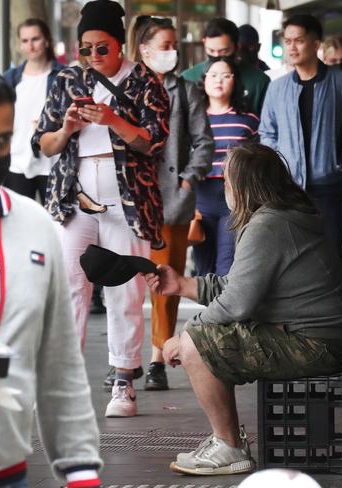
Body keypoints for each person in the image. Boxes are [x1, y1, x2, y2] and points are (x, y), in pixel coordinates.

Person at [145, 143, 342, 476]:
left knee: (197, 341)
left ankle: (228, 446)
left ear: (244, 185)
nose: (223, 187)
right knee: (200, 335)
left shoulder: (268, 224)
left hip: (312, 344)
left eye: (227, 180)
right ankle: (227, 441)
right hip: (314, 337)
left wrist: (182, 336)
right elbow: (237, 287)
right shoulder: (280, 216)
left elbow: (236, 303)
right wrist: (181, 284)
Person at [0, 61, 101, 488]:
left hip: (7, 475)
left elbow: (60, 363)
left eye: (2, 140)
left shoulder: (35, 225)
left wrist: (81, 468)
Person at [32, 0, 170, 418]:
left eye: (101, 48)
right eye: (85, 48)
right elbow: (43, 143)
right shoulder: (66, 79)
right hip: (73, 197)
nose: (93, 56)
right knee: (70, 287)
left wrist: (113, 120)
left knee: (125, 289)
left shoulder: (147, 81)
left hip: (129, 199)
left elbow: (153, 142)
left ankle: (123, 381)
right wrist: (67, 128)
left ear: (119, 43)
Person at [130, 15, 214, 391]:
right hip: (130, 198)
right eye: (165, 45)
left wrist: (188, 178)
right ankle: (125, 358)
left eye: (174, 44)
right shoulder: (128, 87)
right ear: (144, 49)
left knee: (166, 280)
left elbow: (204, 141)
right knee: (127, 282)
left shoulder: (185, 90)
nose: (172, 51)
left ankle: (157, 356)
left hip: (172, 200)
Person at [259, 14, 342, 253]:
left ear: (315, 44)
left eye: (299, 40)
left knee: (332, 252)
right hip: (288, 188)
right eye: (288, 41)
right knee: (292, 254)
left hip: (328, 185)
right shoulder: (277, 88)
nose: (292, 47)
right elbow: (267, 132)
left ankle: (337, 292)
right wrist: (280, 162)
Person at [193, 57, 259, 277]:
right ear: (203, 81)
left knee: (227, 264)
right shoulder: (193, 119)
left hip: (234, 197)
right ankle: (209, 311)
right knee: (203, 267)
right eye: (213, 75)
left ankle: (223, 311)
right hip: (200, 197)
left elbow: (256, 161)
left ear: (235, 81)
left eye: (226, 75)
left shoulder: (248, 120)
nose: (218, 80)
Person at [3, 18, 65, 202]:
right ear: (20, 44)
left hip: (52, 161)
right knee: (19, 222)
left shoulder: (63, 76)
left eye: (35, 39)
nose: (30, 45)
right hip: (17, 161)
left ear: (46, 40)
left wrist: (53, 125)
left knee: (55, 224)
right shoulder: (10, 78)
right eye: (25, 41)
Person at [181, 18, 270, 115]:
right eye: (211, 51)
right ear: (204, 43)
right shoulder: (187, 78)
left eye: (224, 51)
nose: (216, 56)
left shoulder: (259, 82)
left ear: (236, 46)